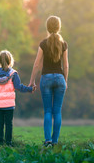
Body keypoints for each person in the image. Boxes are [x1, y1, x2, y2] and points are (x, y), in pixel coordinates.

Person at [29, 16, 69, 147]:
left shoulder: (43, 44)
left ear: (47, 27)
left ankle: (48, 141)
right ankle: (55, 141)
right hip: (59, 79)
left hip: (45, 78)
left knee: (47, 111)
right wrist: (65, 81)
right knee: (57, 111)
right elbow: (66, 65)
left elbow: (36, 64)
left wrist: (32, 81)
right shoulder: (63, 44)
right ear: (59, 27)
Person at [0, 50, 35, 146]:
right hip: (9, 104)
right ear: (10, 60)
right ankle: (8, 143)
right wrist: (29, 89)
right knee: (8, 124)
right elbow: (18, 87)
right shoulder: (13, 74)